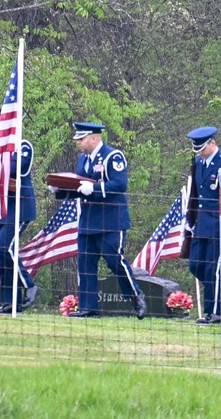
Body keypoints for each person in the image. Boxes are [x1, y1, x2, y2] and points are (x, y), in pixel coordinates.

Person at [64, 120, 144, 318]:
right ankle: (88, 307)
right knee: (85, 264)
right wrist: (61, 189)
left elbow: (119, 184)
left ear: (94, 138)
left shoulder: (112, 156)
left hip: (110, 220)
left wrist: (96, 188)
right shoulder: (83, 159)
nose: (78, 143)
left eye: (81, 139)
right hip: (88, 220)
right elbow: (79, 187)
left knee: (114, 261)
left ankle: (135, 296)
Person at [0, 106, 37, 314]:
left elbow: (14, 169)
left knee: (6, 248)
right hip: (1, 207)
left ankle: (29, 285)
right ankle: (9, 301)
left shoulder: (23, 145)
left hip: (20, 206)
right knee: (2, 255)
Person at [185, 127, 221, 325]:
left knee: (213, 270)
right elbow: (195, 195)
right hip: (201, 225)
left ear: (213, 143)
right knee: (196, 266)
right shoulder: (199, 163)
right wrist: (190, 220)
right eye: (197, 149)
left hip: (219, 226)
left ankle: (215, 312)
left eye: (202, 148)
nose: (200, 152)